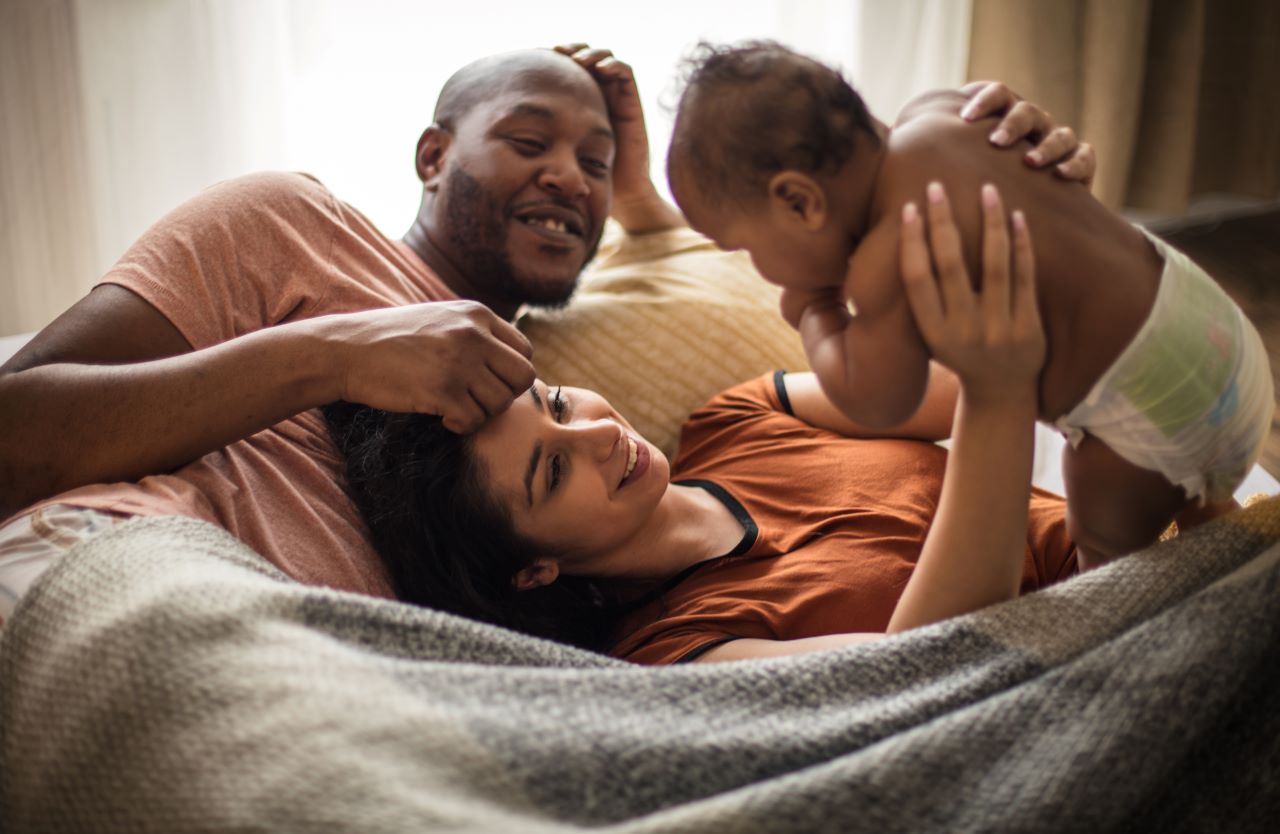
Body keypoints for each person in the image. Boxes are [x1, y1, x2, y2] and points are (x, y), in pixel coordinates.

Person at [0, 43, 1092, 626]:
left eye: (595, 165)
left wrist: (1016, 205)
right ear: (432, 156)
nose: (568, 176)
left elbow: (739, 291)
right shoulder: (283, 224)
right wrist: (328, 354)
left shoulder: (543, 394)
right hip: (139, 590)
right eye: (527, 140)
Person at [327, 184, 1070, 664]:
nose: (593, 434)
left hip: (1143, 522)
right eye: (552, 470)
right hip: (1103, 628)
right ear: (534, 570)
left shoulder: (741, 415)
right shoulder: (678, 650)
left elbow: (990, 377)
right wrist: (999, 386)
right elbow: (934, 663)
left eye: (555, 404)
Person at [664, 40, 1274, 570]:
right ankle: (1222, 532)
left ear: (800, 203)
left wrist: (816, 315)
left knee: (1103, 535)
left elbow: (878, 398)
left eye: (743, 248)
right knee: (1195, 498)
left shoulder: (893, 255)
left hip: (1157, 398)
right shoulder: (948, 110)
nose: (757, 270)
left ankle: (1144, 606)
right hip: (1219, 328)